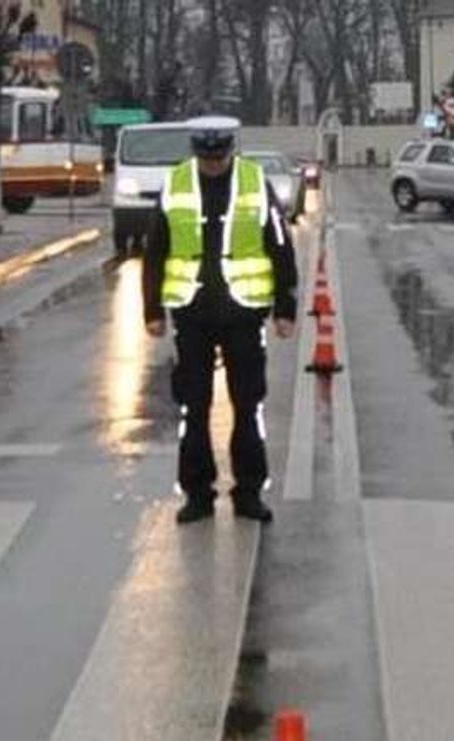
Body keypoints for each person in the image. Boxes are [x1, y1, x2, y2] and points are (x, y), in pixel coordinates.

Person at [143, 116, 298, 525]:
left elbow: (280, 244)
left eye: (219, 157)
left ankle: (248, 491)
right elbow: (155, 249)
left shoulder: (253, 181)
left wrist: (285, 307)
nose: (212, 164)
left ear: (230, 150)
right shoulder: (176, 183)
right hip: (192, 313)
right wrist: (152, 310)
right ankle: (197, 493)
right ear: (196, 152)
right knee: (194, 407)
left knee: (248, 405)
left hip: (243, 313)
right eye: (205, 157)